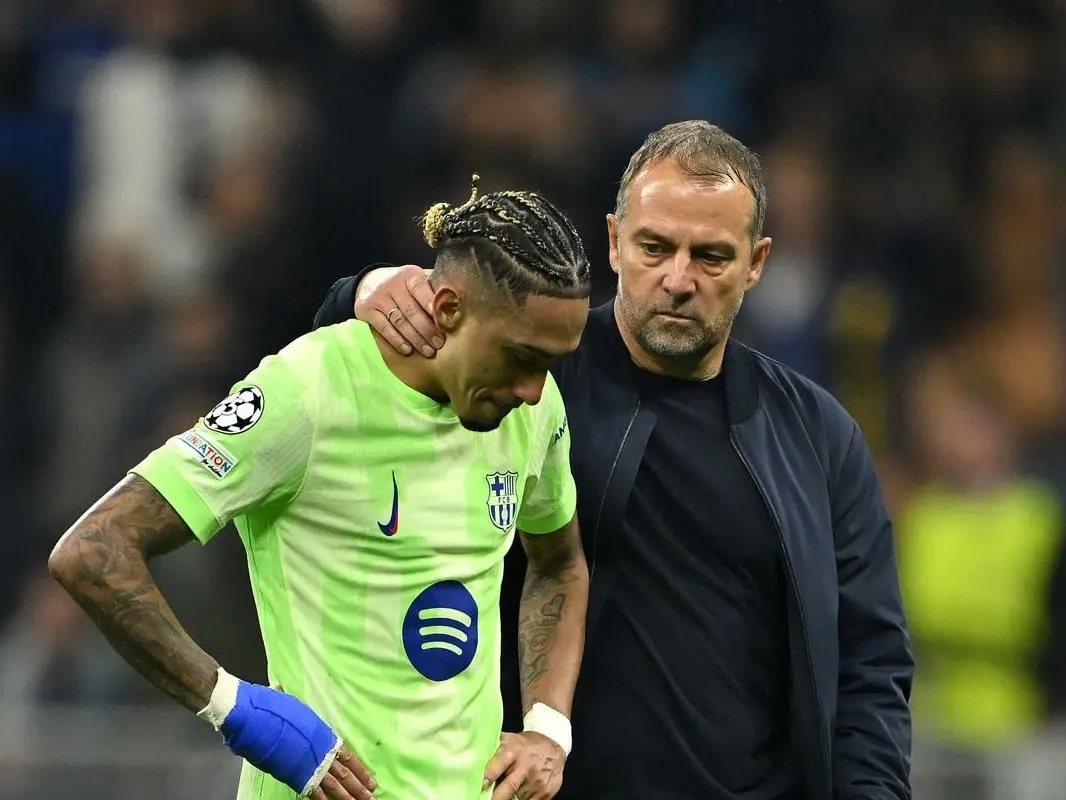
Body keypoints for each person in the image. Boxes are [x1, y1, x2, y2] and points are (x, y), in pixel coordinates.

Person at [314, 121, 914, 800]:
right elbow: (345, 394)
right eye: (655, 247)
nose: (678, 280)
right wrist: (359, 293)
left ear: (756, 262)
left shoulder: (817, 436)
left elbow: (870, 662)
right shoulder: (525, 379)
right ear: (613, 242)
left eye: (711, 257)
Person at [48, 182, 593, 800]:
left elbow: (559, 564)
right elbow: (92, 550)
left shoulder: (533, 409)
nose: (533, 388)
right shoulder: (306, 392)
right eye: (520, 357)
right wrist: (234, 707)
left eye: (551, 363)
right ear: (447, 309)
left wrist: (549, 727)